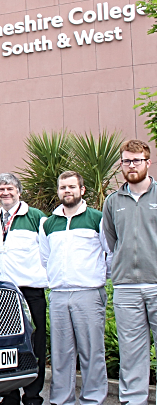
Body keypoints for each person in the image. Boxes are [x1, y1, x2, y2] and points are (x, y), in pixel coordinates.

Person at [39, 171, 108, 405]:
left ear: (82, 190)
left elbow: (108, 253)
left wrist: (95, 278)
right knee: (60, 355)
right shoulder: (49, 224)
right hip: (59, 295)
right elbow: (45, 259)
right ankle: (61, 400)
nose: (67, 191)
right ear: (58, 191)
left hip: (88, 293)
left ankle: (93, 399)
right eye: (63, 187)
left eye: (71, 187)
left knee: (92, 352)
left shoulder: (97, 218)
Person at [0, 173, 47, 405]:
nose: (5, 193)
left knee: (34, 344)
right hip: (1, 293)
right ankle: (9, 395)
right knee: (5, 346)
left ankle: (32, 395)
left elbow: (46, 252)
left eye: (10, 188)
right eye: (1, 189)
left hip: (30, 291)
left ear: (19, 191)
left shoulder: (36, 217)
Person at [102, 139, 157, 405]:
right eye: (126, 161)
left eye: (136, 160)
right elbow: (112, 241)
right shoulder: (113, 201)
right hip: (126, 288)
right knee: (132, 350)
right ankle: (134, 400)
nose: (131, 165)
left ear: (148, 162)